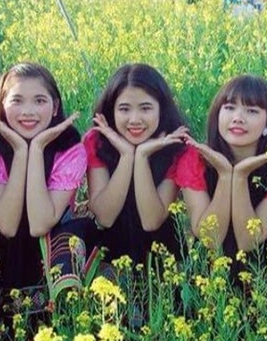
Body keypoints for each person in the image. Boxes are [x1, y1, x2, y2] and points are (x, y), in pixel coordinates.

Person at [0, 63, 93, 341]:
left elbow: (39, 223)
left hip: (56, 258)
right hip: (11, 260)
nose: (28, 112)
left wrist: (36, 149)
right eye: (17, 101)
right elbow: (8, 225)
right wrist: (22, 151)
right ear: (2, 104)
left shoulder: (71, 150)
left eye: (40, 101)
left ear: (56, 106)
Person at [85, 64, 211, 269]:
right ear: (111, 110)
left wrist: (141, 157)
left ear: (162, 109)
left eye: (146, 108)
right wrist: (127, 156)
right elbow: (105, 217)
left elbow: (151, 221)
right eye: (124, 109)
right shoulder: (97, 142)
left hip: (163, 269)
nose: (135, 120)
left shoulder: (177, 149)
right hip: (108, 268)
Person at [187, 74, 267, 285]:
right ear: (217, 115)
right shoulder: (195, 159)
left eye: (251, 111)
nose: (238, 117)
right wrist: (224, 176)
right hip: (205, 284)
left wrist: (239, 177)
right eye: (229, 107)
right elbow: (209, 239)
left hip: (263, 282)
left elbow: (250, 241)